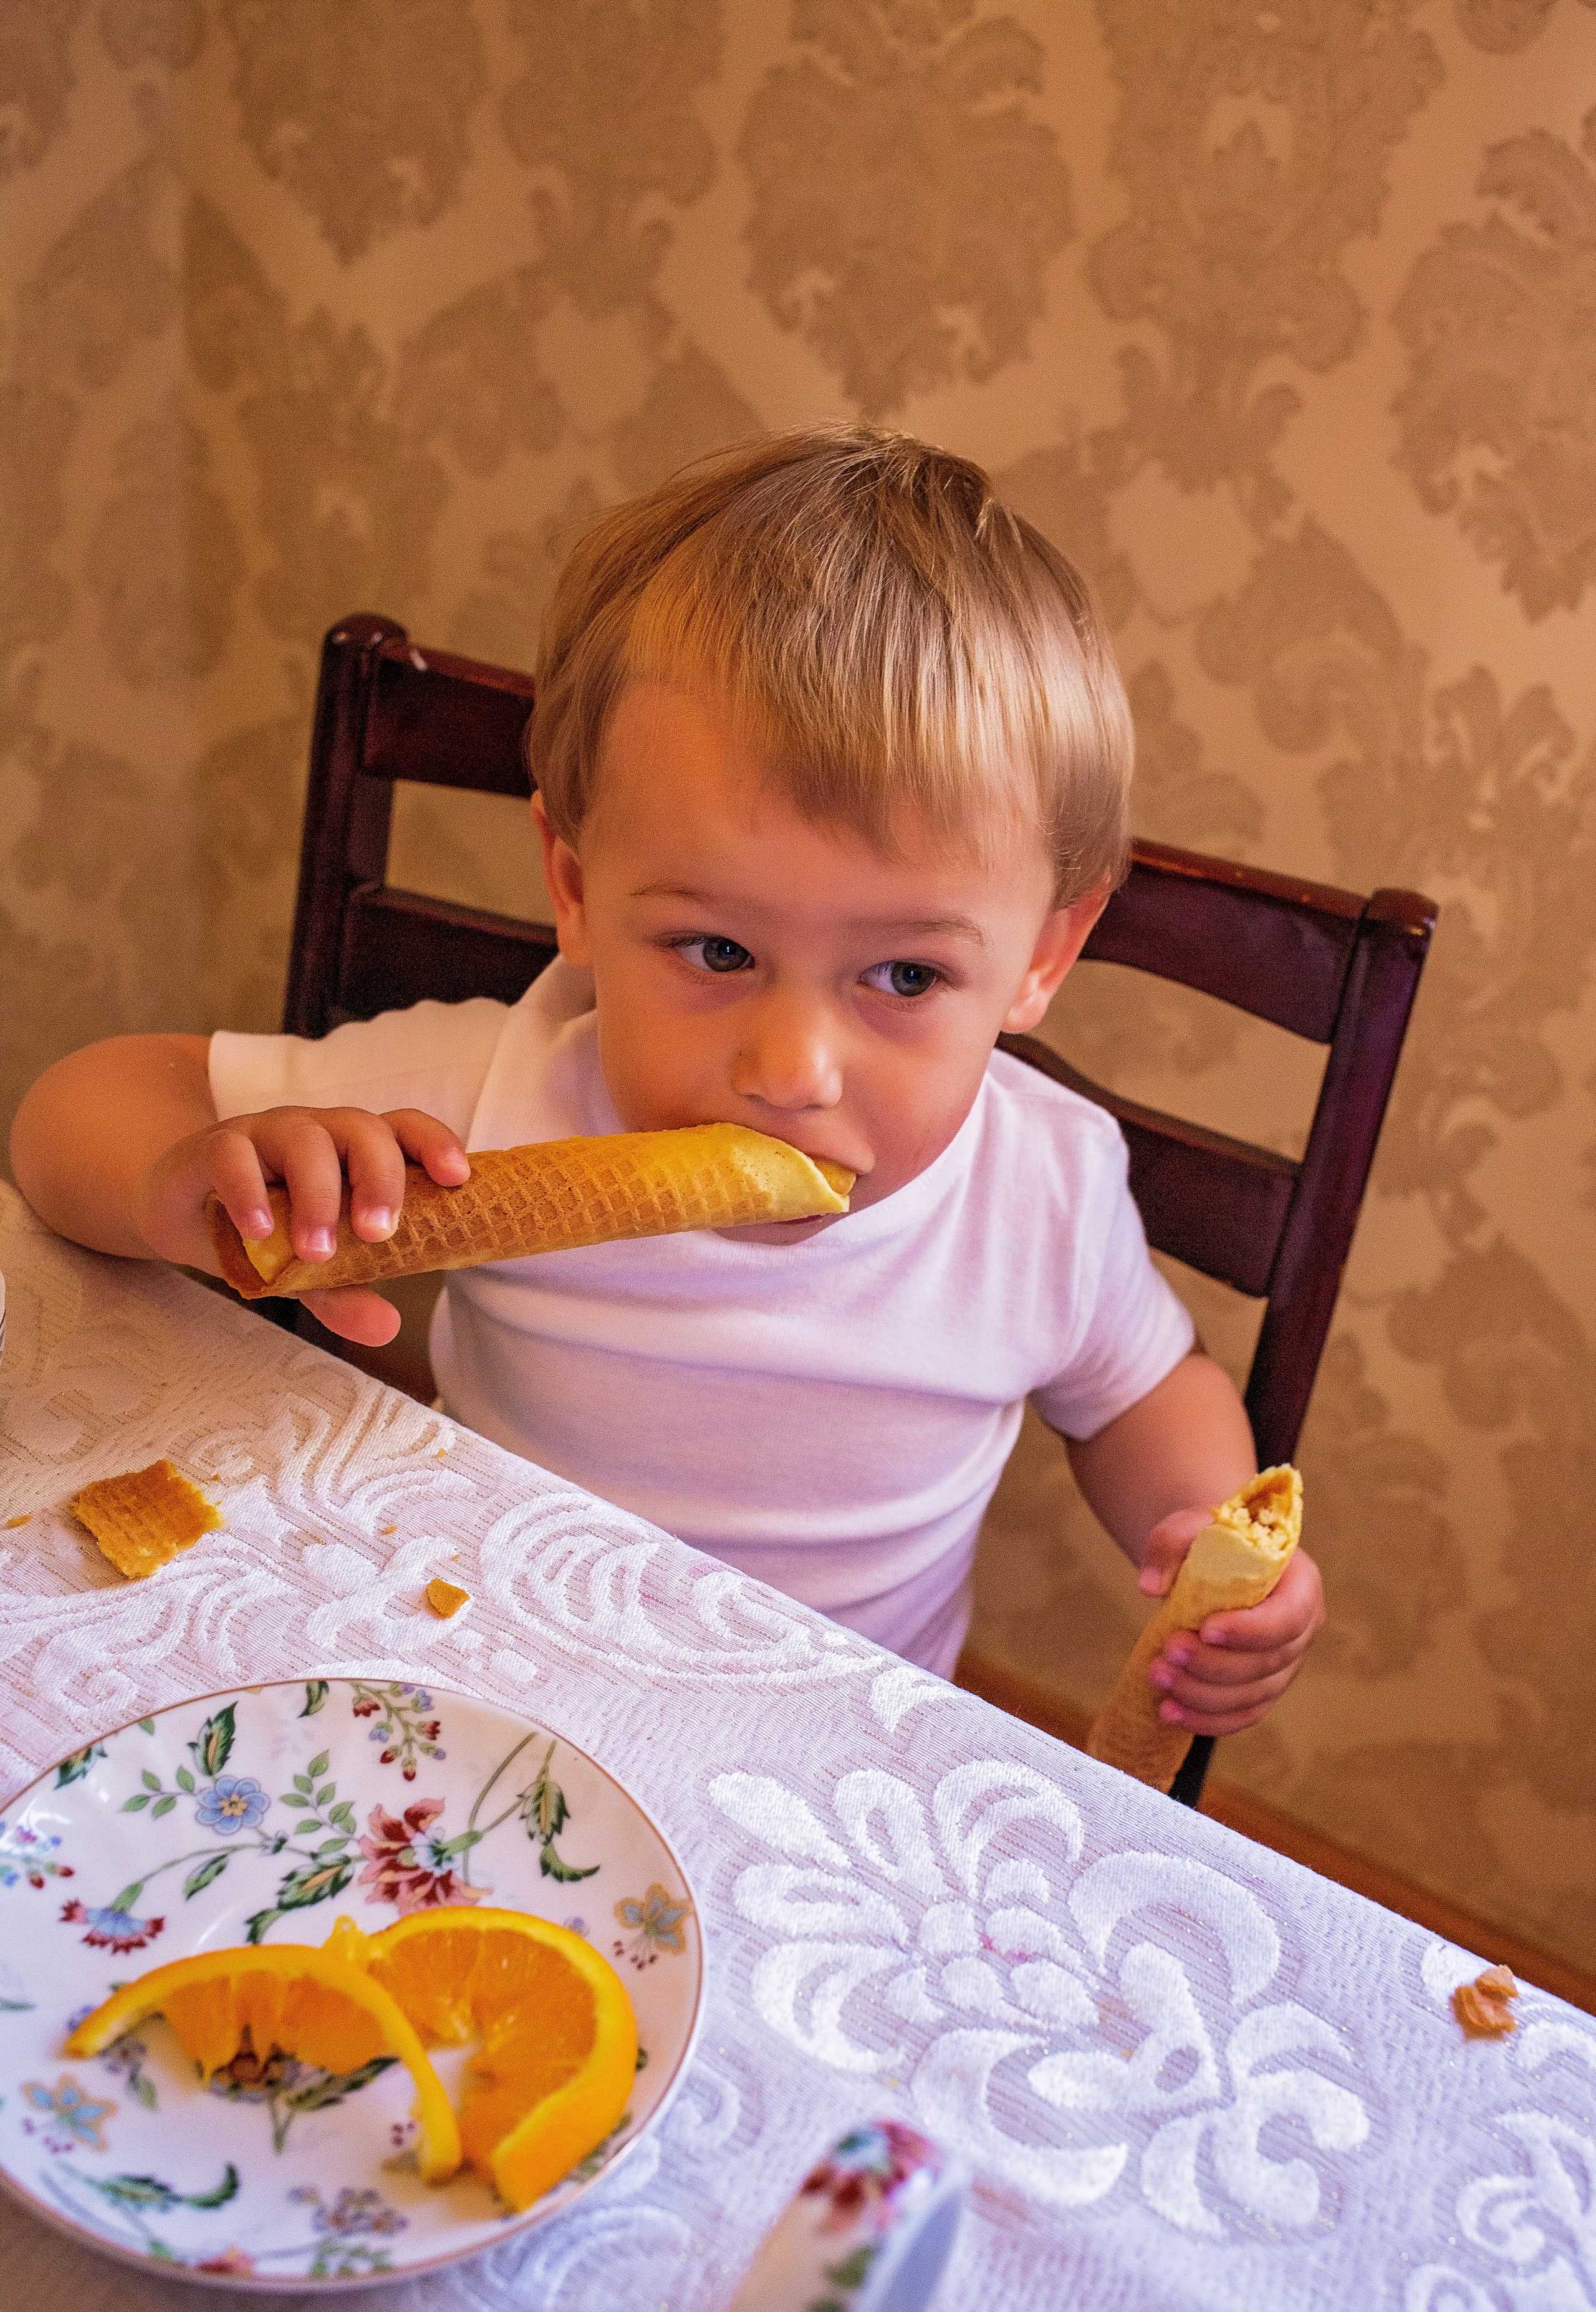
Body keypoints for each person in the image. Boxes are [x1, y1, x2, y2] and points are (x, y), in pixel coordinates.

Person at [10, 426, 1322, 1735]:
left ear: (1041, 957)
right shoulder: (488, 1097)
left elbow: (1141, 1392)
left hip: (839, 1745)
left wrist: (1204, 1541)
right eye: (718, 951)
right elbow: (77, 1115)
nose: (791, 1073)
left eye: (906, 976)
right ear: (577, 887)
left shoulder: (1045, 1189)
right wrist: (183, 1177)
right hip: (492, 1686)